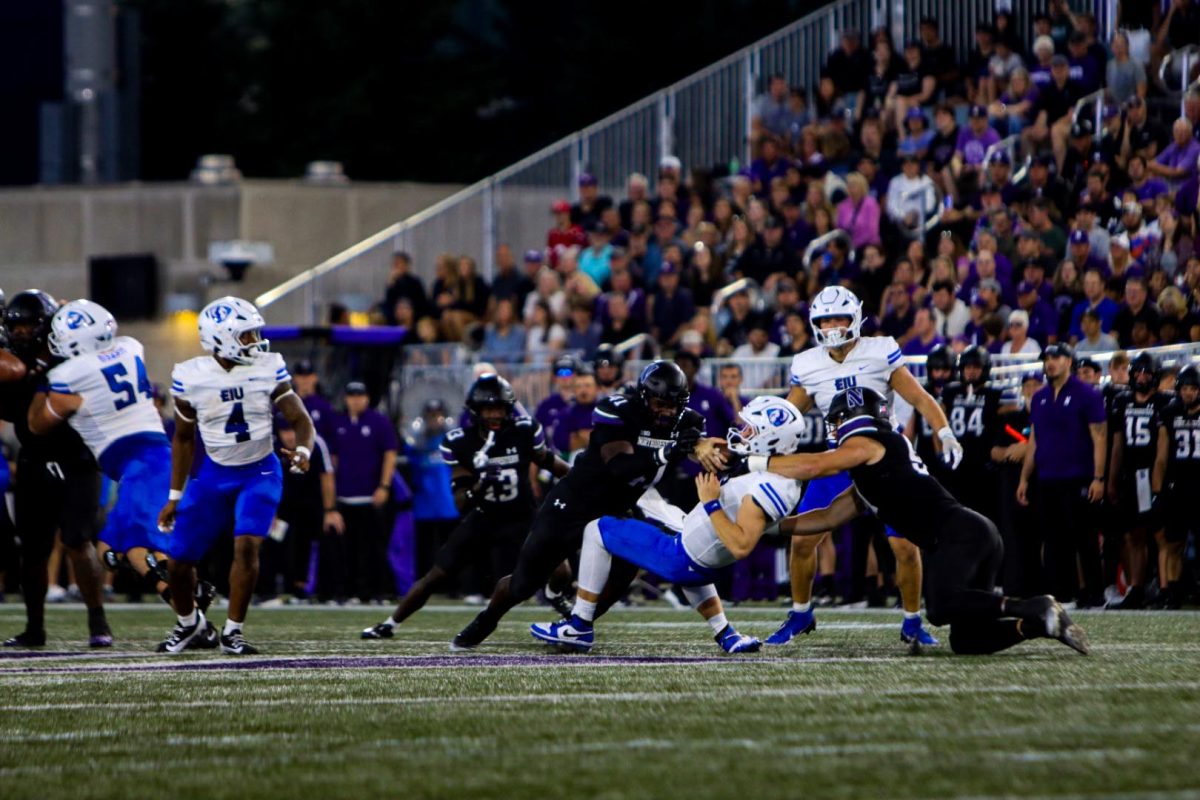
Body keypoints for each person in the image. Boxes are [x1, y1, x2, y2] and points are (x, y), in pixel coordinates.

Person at [757, 387, 1089, 656]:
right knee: (969, 641)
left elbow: (816, 465)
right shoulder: (873, 466)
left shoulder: (870, 443)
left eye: (838, 419)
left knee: (941, 606)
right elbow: (828, 516)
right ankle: (1040, 624)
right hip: (971, 535)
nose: (834, 428)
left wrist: (758, 462)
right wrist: (772, 527)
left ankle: (1035, 605)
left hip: (961, 536)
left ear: (856, 417)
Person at [450, 361, 705, 649]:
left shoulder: (689, 420)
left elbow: (702, 450)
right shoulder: (617, 409)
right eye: (661, 403)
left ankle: (577, 625)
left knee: (625, 570)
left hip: (618, 507)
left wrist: (713, 450)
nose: (668, 412)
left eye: (675, 405)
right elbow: (621, 467)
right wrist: (668, 451)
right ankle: (488, 618)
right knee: (524, 582)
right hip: (574, 503)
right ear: (645, 397)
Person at [530, 397, 808, 653]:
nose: (741, 431)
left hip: (682, 556)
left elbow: (741, 544)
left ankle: (579, 624)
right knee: (666, 517)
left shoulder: (762, 487)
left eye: (750, 429)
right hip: (701, 558)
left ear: (770, 439)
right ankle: (727, 634)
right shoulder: (778, 478)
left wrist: (711, 503)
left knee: (596, 529)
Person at [767, 286, 961, 648]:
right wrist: (754, 437)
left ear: (856, 318)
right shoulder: (808, 363)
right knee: (804, 539)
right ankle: (800, 612)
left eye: (839, 317)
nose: (833, 326)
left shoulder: (879, 350)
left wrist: (944, 430)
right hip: (836, 458)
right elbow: (785, 416)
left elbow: (919, 396)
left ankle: (912, 621)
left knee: (904, 545)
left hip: (883, 462)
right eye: (825, 320)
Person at [28, 300, 215, 624]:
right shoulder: (131, 347)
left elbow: (37, 424)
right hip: (151, 457)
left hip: (138, 462)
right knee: (109, 551)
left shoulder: (67, 375)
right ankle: (192, 596)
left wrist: (41, 379)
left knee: (131, 547)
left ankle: (190, 616)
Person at [157, 297, 315, 654]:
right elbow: (183, 439)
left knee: (246, 546)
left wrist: (304, 451)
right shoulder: (191, 376)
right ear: (222, 338)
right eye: (247, 334)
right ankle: (189, 626)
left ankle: (232, 632)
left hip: (260, 470)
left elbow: (301, 420)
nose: (256, 340)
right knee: (179, 562)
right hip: (214, 474)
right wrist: (175, 496)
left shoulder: (267, 366)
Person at [362, 375, 569, 640]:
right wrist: (480, 484)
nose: (495, 414)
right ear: (476, 411)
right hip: (484, 517)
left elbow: (548, 461)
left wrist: (581, 475)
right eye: (488, 409)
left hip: (522, 515)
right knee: (436, 576)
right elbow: (461, 502)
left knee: (561, 569)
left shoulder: (523, 431)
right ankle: (390, 623)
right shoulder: (461, 442)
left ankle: (554, 593)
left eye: (500, 408)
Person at [0, 291, 109, 648]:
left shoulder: (71, 353)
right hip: (33, 458)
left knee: (78, 539)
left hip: (75, 457)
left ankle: (98, 622)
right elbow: (13, 374)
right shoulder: (14, 358)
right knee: (32, 549)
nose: (20, 332)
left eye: (28, 325)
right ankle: (35, 628)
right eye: (15, 325)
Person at [1017, 343, 1107, 607]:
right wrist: (1024, 477)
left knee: (1085, 538)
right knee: (1054, 540)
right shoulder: (1040, 397)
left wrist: (1098, 478)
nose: (1050, 363)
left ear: (1069, 361)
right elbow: (1034, 440)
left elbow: (1099, 437)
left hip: (1078, 477)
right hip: (1048, 478)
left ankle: (1095, 594)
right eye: (1047, 358)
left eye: (1056, 357)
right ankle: (1063, 594)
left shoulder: (1087, 394)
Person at [1106, 353, 1172, 609]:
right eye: (1138, 372)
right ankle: (1136, 587)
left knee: (1158, 533)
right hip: (1130, 475)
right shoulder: (1122, 400)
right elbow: (1118, 446)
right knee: (1133, 534)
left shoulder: (1165, 402)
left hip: (1154, 475)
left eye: (1147, 372)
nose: (1142, 376)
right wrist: (1111, 479)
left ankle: (1163, 586)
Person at [331, 381, 398, 604]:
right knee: (348, 549)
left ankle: (378, 591)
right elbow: (333, 460)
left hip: (371, 495)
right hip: (345, 496)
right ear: (346, 398)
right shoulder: (339, 423)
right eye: (352, 395)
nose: (356, 399)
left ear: (367, 398)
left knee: (375, 547)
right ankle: (351, 591)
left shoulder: (379, 422)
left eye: (360, 395)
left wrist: (384, 485)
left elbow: (390, 454)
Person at [939, 346, 1005, 521]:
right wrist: (940, 450)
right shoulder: (951, 391)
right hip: (957, 463)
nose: (971, 371)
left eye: (976, 367)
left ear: (985, 369)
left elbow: (1009, 418)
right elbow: (938, 420)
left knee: (985, 517)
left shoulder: (994, 393)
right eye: (968, 367)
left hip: (982, 465)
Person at [1154, 364, 1200, 609]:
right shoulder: (1170, 412)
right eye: (1184, 388)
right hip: (1178, 487)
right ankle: (1172, 594)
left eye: (1193, 388)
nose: (1188, 393)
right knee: (1173, 543)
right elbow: (1161, 457)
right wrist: (1157, 492)